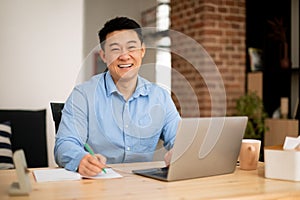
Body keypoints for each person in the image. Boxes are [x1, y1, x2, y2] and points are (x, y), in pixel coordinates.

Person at [54, 16, 180, 176]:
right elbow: (65, 144)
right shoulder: (83, 95)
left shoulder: (160, 97)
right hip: (98, 184)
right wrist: (81, 159)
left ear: (142, 51)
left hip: (144, 186)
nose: (124, 56)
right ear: (104, 56)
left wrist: (178, 153)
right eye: (115, 49)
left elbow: (179, 140)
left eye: (131, 47)